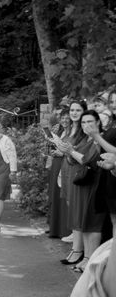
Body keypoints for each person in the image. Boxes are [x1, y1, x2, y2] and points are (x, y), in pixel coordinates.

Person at [56, 110, 107, 272]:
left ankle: (91, 260)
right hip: (82, 184)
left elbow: (90, 161)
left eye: (90, 122)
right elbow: (74, 161)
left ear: (98, 122)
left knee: (93, 224)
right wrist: (68, 151)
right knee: (85, 223)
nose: (86, 125)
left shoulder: (101, 139)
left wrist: (71, 151)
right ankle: (86, 257)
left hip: (95, 184)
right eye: (83, 123)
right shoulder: (86, 138)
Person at [47, 109, 71, 238]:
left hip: (65, 163)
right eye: (62, 118)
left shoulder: (73, 132)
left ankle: (64, 230)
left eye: (67, 118)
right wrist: (53, 150)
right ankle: (54, 227)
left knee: (63, 195)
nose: (64, 120)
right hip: (56, 164)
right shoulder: (60, 131)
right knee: (55, 194)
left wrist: (61, 153)